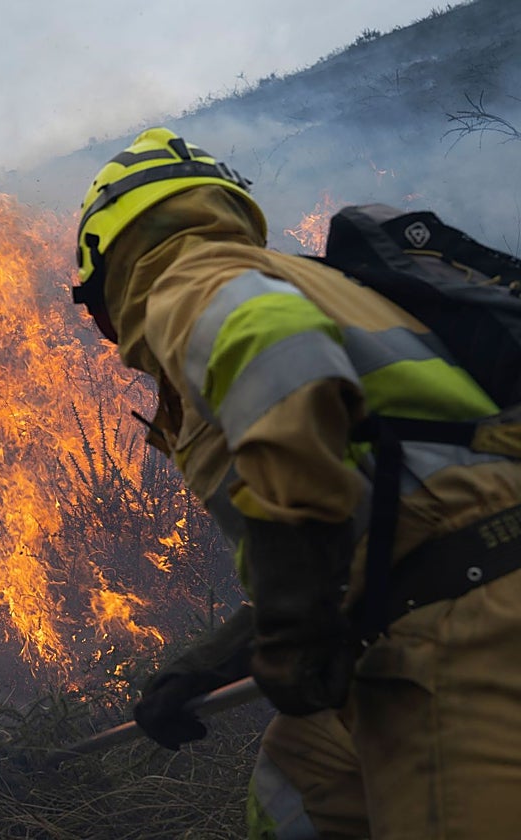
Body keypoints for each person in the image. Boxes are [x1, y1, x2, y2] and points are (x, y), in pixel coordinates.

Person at [71, 127, 521, 838]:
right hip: (434, 582)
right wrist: (206, 667)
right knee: (296, 780)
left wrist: (294, 616)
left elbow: (283, 365)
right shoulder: (310, 281)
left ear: (110, 259)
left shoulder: (187, 277)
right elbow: (363, 521)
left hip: (459, 620)